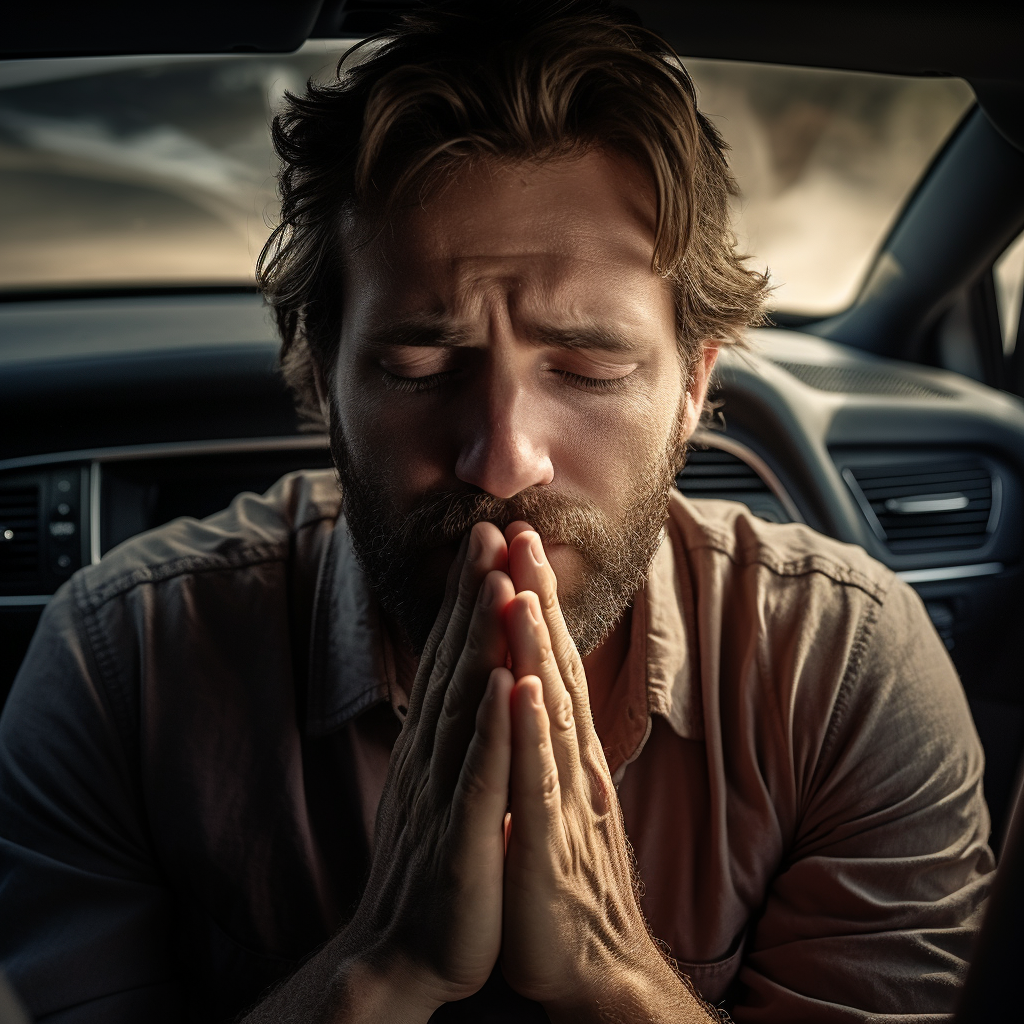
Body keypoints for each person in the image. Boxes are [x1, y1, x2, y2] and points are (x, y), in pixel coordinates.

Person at [0, 3, 993, 1022]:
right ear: (321, 371)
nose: (502, 458)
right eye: (420, 365)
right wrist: (377, 971)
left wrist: (614, 978)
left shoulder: (845, 666)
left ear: (694, 385)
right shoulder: (121, 662)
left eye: (589, 366)